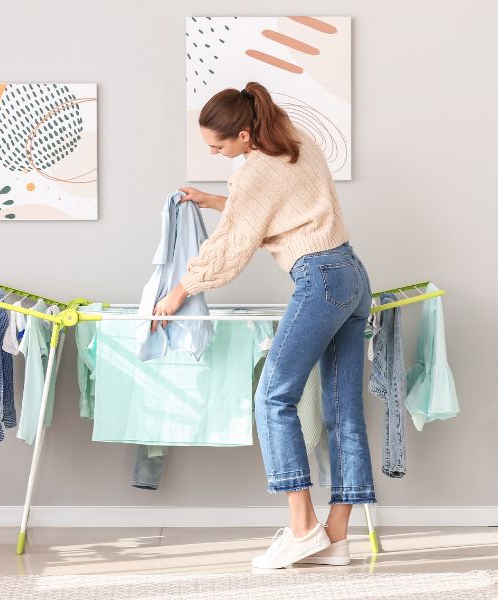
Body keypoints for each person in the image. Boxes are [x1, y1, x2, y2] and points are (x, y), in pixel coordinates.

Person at [151, 81, 376, 569]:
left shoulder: (254, 171)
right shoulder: (296, 139)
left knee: (273, 397)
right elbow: (276, 205)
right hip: (353, 276)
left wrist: (179, 291)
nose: (214, 152)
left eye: (219, 145)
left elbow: (233, 244)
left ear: (246, 135)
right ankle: (337, 537)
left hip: (318, 278)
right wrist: (215, 200)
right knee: (344, 412)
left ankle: (302, 529)